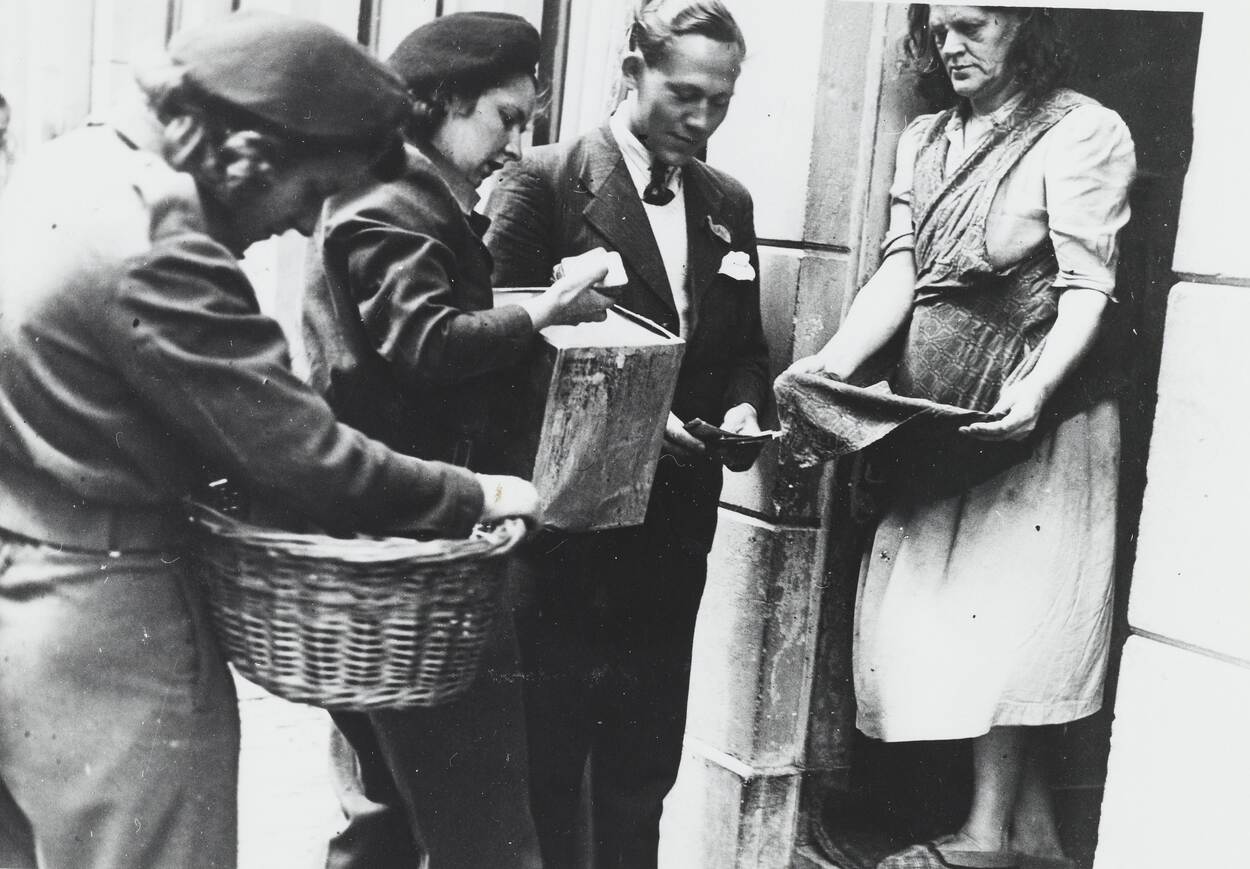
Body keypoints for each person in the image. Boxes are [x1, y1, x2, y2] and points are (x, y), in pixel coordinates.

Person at [0, 12, 540, 869]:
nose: (298, 228)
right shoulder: (158, 245)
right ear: (249, 153)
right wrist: (478, 494)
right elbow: (306, 454)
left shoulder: (70, 168)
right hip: (110, 621)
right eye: (308, 193)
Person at [790, 6, 1135, 869]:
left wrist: (1036, 389)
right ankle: (1034, 836)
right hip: (941, 418)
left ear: (1029, 26)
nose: (951, 45)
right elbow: (904, 263)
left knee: (1013, 619)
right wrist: (831, 366)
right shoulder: (926, 137)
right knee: (938, 614)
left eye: (974, 24)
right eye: (939, 26)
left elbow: (1088, 285)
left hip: (1032, 418)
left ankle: (989, 837)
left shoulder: (1083, 130)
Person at [301, 12, 613, 869]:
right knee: (483, 830)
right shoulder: (395, 204)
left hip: (371, 543)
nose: (517, 142)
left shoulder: (393, 191)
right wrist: (543, 308)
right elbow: (427, 344)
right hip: (417, 561)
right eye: (506, 118)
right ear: (436, 101)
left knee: (381, 814)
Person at [484, 2, 771, 866]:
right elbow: (501, 352)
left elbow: (744, 348)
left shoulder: (728, 201)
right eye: (685, 95)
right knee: (546, 767)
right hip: (567, 541)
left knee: (643, 769)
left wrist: (745, 408)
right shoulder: (544, 180)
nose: (702, 119)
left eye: (720, 100)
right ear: (632, 68)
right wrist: (636, 429)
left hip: (674, 536)